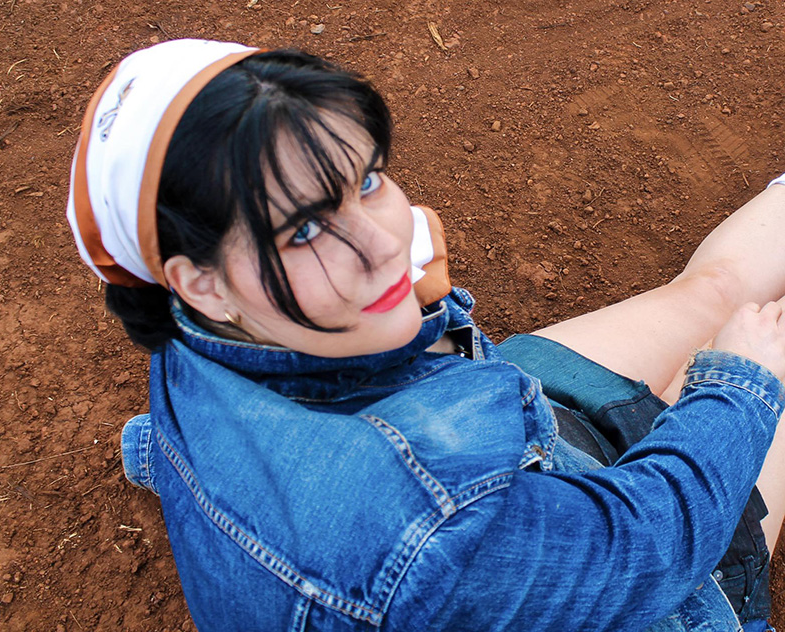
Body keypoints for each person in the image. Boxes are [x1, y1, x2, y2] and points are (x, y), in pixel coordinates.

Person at [66, 39, 785, 631]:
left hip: (500, 446)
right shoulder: (428, 535)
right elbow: (652, 548)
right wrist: (741, 384)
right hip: (614, 570)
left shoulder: (186, 327)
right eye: (305, 230)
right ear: (200, 281)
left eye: (367, 181)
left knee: (714, 295)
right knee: (756, 365)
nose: (386, 245)